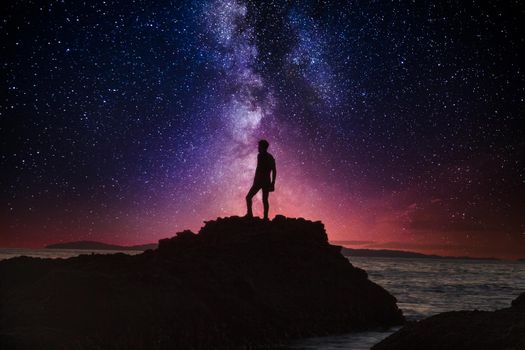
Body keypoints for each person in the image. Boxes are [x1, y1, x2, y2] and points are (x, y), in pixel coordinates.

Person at [245, 139, 276, 220]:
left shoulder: (262, 156)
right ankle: (264, 217)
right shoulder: (269, 157)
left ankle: (250, 215)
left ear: (262, 147)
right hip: (265, 181)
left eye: (259, 146)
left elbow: (272, 170)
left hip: (260, 181)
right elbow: (274, 170)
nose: (258, 148)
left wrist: (273, 183)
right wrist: (272, 183)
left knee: (249, 197)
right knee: (264, 200)